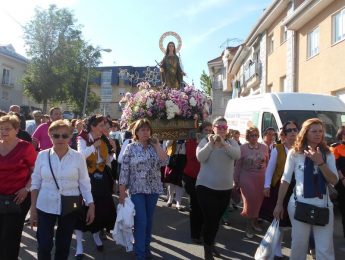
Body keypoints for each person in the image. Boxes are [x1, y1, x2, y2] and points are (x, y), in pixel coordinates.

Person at [273, 118, 338, 260]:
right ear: (305, 133)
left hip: (324, 206)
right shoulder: (295, 153)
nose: (318, 134)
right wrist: (278, 204)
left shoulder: (328, 154)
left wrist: (320, 162)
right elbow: (285, 180)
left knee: (325, 249)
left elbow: (334, 180)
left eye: (320, 131)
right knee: (298, 246)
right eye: (314, 131)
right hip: (298, 205)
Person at [30, 119, 95, 260]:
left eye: (64, 136)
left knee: (64, 244)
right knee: (44, 244)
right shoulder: (42, 155)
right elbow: (35, 183)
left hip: (71, 204)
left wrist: (91, 205)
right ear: (50, 136)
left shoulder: (78, 157)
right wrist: (33, 208)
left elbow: (84, 182)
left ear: (70, 137)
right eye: (56, 135)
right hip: (45, 204)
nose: (60, 139)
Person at [119, 119, 168, 260]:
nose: (145, 132)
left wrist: (157, 145)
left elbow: (165, 161)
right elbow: (124, 171)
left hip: (153, 189)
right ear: (137, 132)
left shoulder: (154, 147)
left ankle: (146, 248)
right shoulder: (131, 147)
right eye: (142, 130)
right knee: (141, 221)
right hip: (137, 190)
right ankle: (140, 253)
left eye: (147, 129)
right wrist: (122, 192)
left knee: (149, 220)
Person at [196, 116, 240, 260]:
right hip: (205, 187)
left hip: (225, 189)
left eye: (224, 127)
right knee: (211, 219)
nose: (221, 129)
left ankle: (210, 242)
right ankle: (208, 250)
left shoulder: (231, 142)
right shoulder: (204, 141)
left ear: (227, 130)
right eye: (219, 127)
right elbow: (200, 157)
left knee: (216, 219)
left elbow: (237, 155)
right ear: (213, 128)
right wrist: (211, 144)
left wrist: (224, 144)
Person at [74, 115, 116, 258]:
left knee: (100, 209)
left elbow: (108, 159)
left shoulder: (104, 139)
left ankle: (96, 235)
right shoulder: (82, 138)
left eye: (105, 125)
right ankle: (79, 245)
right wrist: (93, 146)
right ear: (93, 126)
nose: (105, 128)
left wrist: (113, 150)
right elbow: (80, 156)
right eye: (102, 125)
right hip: (85, 178)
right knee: (80, 212)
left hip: (101, 178)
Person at [0, 114, 37, 260]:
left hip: (18, 198)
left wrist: (26, 189)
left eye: (7, 129)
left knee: (10, 236)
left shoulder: (25, 147)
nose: (3, 131)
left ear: (17, 130)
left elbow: (36, 172)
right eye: (1, 128)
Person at [259, 121, 298, 259]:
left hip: (296, 189)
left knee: (294, 222)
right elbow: (270, 169)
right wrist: (267, 186)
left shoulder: (301, 149)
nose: (293, 132)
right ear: (284, 134)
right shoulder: (278, 149)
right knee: (279, 221)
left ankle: (297, 250)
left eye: (295, 130)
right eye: (290, 130)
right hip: (280, 188)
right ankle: (276, 249)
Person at [234, 127, 268, 239]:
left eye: (256, 135)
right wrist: (236, 180)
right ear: (248, 137)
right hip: (246, 178)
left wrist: (268, 180)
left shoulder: (264, 147)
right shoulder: (242, 148)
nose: (254, 137)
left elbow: (267, 162)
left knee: (258, 202)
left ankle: (254, 222)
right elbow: (238, 165)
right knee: (249, 201)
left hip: (261, 179)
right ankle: (249, 225)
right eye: (252, 135)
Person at [183, 121, 213, 244]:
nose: (208, 133)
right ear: (201, 131)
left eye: (210, 130)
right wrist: (200, 144)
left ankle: (202, 231)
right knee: (195, 206)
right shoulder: (192, 141)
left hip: (206, 178)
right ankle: (195, 235)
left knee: (205, 207)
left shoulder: (212, 142)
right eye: (206, 130)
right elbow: (193, 157)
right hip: (192, 177)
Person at [330, 126, 345, 238]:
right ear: (341, 135)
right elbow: (336, 166)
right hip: (342, 184)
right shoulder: (336, 148)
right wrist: (343, 179)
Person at [164, 139, 186, 211]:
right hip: (173, 158)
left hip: (183, 160)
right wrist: (174, 138)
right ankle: (170, 198)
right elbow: (167, 145)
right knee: (171, 181)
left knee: (180, 182)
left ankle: (178, 202)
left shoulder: (187, 138)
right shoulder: (173, 137)